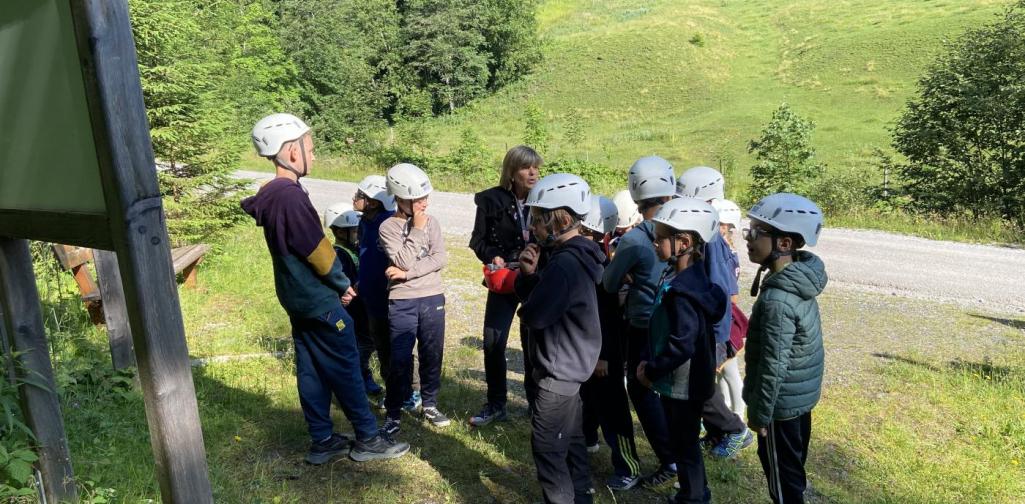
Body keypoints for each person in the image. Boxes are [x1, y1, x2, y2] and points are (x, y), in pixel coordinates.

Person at [241, 113, 408, 464]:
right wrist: (341, 283)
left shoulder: (271, 194)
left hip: (297, 298)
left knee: (312, 369)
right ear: (291, 152)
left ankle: (323, 440)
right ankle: (368, 438)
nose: (314, 155)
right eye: (311, 149)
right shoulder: (289, 196)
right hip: (318, 300)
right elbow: (318, 251)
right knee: (346, 366)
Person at [515, 173, 604, 504]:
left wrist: (527, 283)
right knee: (573, 441)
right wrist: (531, 276)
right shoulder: (583, 253)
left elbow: (535, 314)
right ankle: (581, 495)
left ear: (563, 220)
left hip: (558, 373)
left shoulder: (564, 264)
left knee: (549, 450)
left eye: (539, 219)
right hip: (573, 367)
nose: (533, 226)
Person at [638, 197, 727, 504]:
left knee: (684, 443)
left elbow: (682, 343)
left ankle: (695, 496)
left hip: (682, 384)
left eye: (660, 239)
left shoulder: (683, 292)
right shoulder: (689, 278)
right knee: (684, 441)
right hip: (685, 380)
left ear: (684, 243)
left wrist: (652, 370)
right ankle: (694, 491)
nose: (655, 244)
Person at [742, 193, 827, 504]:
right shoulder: (798, 279)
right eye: (749, 230)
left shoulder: (778, 300)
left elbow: (773, 365)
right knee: (791, 472)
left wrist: (760, 414)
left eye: (757, 232)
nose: (748, 238)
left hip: (779, 408)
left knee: (782, 484)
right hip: (797, 401)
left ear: (785, 243)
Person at [602, 156, 679, 487]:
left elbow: (608, 283)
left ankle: (670, 458)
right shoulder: (686, 230)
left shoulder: (634, 240)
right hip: (679, 322)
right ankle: (680, 454)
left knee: (641, 387)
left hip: (643, 324)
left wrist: (627, 274)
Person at [677, 166, 753, 459]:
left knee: (700, 386)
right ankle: (716, 432)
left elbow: (721, 290)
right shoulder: (699, 230)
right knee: (699, 385)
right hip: (700, 326)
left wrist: (717, 338)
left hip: (710, 330)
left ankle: (736, 430)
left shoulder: (710, 237)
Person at [468, 146, 542, 426]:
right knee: (493, 342)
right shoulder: (491, 200)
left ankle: (536, 405)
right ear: (511, 172)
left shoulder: (545, 198)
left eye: (535, 167)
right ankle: (496, 404)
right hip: (503, 278)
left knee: (533, 344)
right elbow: (478, 241)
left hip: (534, 279)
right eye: (525, 167)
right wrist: (492, 256)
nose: (532, 172)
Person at [578, 195, 644, 490]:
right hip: (588, 349)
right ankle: (588, 439)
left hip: (605, 352)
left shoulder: (598, 264)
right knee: (588, 398)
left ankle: (628, 466)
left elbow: (606, 316)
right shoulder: (590, 256)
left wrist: (603, 355)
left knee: (613, 409)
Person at [378, 163, 450, 434]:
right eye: (418, 199)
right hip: (403, 300)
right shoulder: (388, 227)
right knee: (400, 357)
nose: (424, 203)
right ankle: (394, 412)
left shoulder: (433, 222)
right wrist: (417, 230)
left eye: (425, 197)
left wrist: (407, 275)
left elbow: (439, 258)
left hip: (432, 296)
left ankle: (429, 404)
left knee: (432, 352)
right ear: (400, 199)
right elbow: (401, 259)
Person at [353, 175, 422, 410]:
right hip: (371, 298)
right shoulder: (364, 222)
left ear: (373, 202)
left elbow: (405, 259)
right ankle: (393, 390)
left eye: (360, 195)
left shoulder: (390, 223)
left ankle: (412, 391)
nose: (354, 198)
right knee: (382, 347)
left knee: (401, 347)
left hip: (392, 298)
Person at [323, 202, 383, 399]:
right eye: (355, 231)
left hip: (364, 310)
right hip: (353, 312)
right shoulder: (339, 254)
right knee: (360, 347)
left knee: (367, 344)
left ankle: (361, 376)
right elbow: (345, 283)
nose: (359, 234)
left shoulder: (356, 249)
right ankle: (358, 379)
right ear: (341, 232)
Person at [711, 198, 746, 418]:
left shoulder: (726, 255)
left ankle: (739, 416)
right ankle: (725, 412)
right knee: (721, 372)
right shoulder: (725, 251)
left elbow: (733, 296)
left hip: (725, 318)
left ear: (724, 225)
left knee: (730, 371)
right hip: (724, 315)